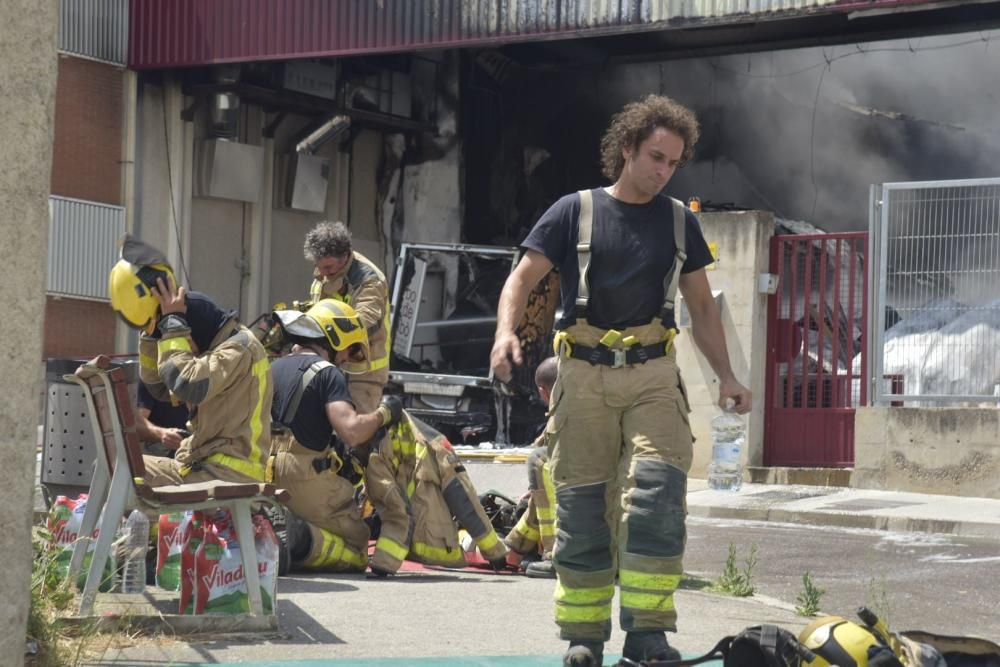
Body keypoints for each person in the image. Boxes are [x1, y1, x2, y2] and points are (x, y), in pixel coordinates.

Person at [490, 94, 752, 667]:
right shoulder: (573, 210)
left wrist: (728, 374)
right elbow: (522, 277)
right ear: (627, 148)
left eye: (673, 163)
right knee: (583, 506)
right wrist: (504, 332)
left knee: (658, 498)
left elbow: (703, 308)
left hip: (655, 373)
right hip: (582, 375)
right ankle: (584, 637)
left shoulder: (681, 221)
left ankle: (648, 634)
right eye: (655, 157)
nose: (663, 172)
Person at [109, 234, 273, 487]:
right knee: (116, 466)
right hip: (202, 464)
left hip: (230, 474)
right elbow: (160, 388)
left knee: (127, 474)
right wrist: (153, 334)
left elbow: (188, 384)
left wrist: (172, 327)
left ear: (192, 331)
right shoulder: (213, 349)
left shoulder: (240, 349)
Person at [268, 299, 403, 572]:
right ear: (334, 336)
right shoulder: (327, 374)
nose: (345, 358)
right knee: (356, 546)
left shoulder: (272, 369)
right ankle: (297, 538)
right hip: (305, 478)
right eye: (349, 349)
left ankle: (277, 531)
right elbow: (351, 432)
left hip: (266, 476)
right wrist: (384, 413)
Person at [303, 221, 391, 413]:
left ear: (346, 255)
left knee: (359, 433)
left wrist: (325, 335)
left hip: (362, 371)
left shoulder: (368, 279)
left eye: (328, 267)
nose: (323, 273)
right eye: (319, 266)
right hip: (329, 365)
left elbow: (366, 322)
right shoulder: (324, 273)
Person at [503, 356, 558, 579]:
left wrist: (514, 548)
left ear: (543, 392)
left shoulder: (564, 419)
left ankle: (554, 554)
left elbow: (543, 456)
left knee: (539, 460)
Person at [135, 381, 189, 458]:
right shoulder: (148, 381)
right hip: (163, 443)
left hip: (193, 439)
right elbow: (138, 422)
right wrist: (162, 434)